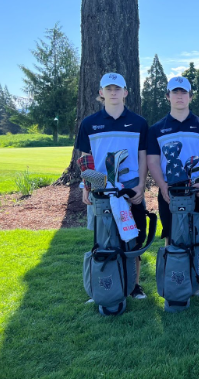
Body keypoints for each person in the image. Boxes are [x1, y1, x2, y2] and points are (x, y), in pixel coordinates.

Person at [76, 72, 149, 299]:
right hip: (100, 189)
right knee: (102, 239)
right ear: (101, 93)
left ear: (126, 92)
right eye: (108, 89)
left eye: (118, 89)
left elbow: (144, 157)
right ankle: (102, 284)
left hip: (130, 187)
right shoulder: (89, 123)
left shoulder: (139, 123)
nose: (113, 92)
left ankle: (133, 285)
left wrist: (141, 186)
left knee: (132, 239)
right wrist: (85, 188)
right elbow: (85, 159)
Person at [146, 76, 199, 296]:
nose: (179, 96)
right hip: (170, 190)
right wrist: (162, 186)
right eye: (174, 92)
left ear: (190, 96)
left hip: (196, 189)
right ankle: (175, 278)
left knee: (196, 232)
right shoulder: (157, 129)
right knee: (171, 233)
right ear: (167, 96)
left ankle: (197, 280)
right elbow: (153, 162)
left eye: (183, 92)